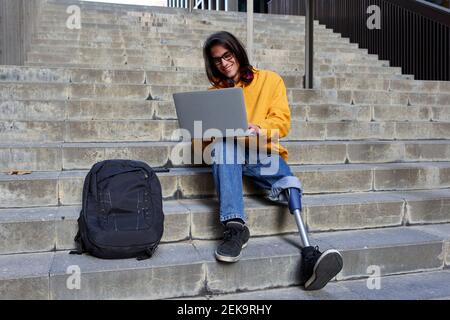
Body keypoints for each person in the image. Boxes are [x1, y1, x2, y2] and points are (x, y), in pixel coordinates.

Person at [201, 31, 343, 290]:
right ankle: (235, 227)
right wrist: (208, 134)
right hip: (229, 153)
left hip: (262, 152)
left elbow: (281, 123)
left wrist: (259, 128)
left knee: (289, 181)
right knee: (224, 148)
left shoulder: (269, 80)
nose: (223, 63)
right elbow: (200, 142)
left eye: (227, 55)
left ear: (237, 52)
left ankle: (310, 252)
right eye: (217, 60)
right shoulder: (213, 94)